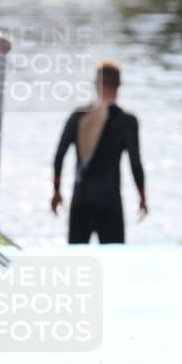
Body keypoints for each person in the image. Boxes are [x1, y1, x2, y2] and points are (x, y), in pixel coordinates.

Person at [51, 59, 147, 243]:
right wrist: (142, 197)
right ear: (119, 85)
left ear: (97, 84)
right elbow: (135, 164)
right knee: (114, 260)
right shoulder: (127, 121)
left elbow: (59, 156)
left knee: (77, 262)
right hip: (109, 199)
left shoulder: (78, 116)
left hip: (81, 199)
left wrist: (56, 191)